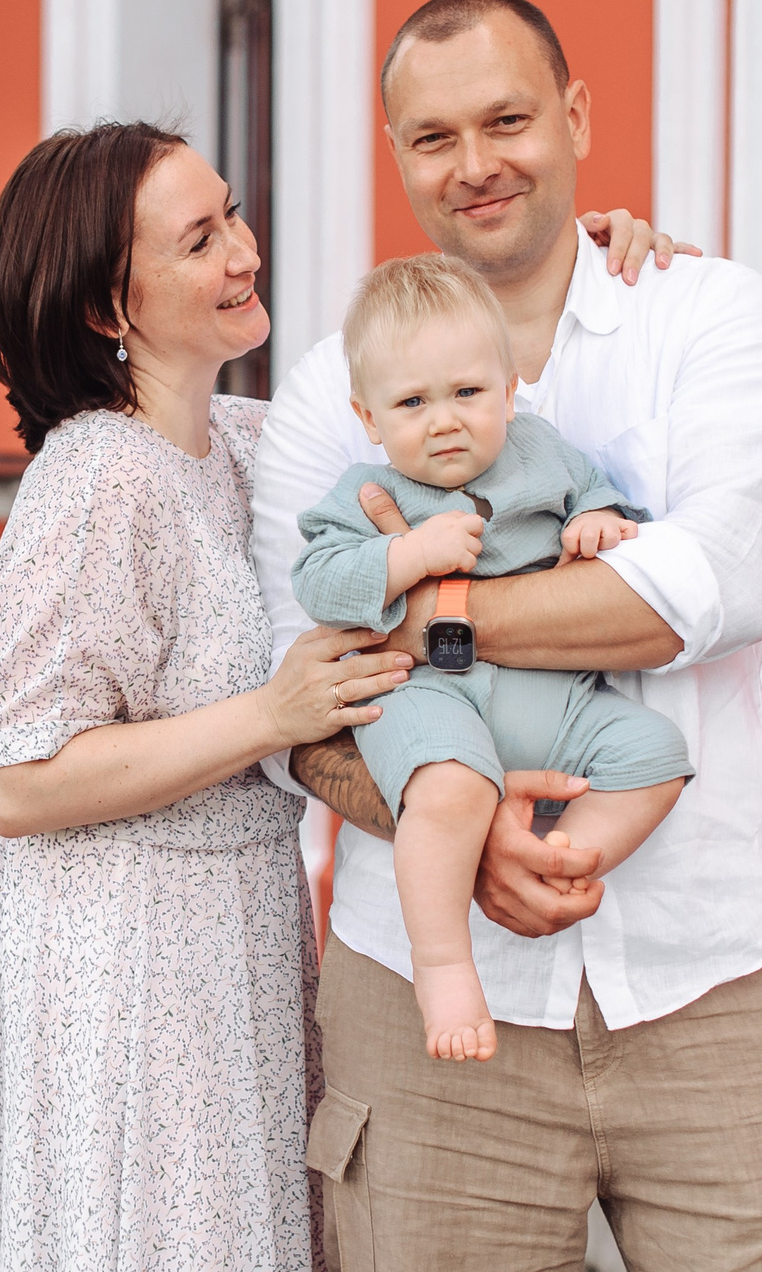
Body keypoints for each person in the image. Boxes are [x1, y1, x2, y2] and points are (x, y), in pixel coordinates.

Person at [250, 0, 762, 1272]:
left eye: (509, 119)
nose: (475, 164)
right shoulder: (328, 390)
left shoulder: (705, 316)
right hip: (423, 1013)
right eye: (434, 137)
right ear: (397, 156)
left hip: (713, 983)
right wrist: (459, 843)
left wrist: (434, 619)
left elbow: (702, 592)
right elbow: (297, 693)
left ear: (578, 118)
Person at [0, 121, 413, 1272]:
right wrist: (270, 715)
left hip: (237, 936)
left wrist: (585, 270)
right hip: (124, 965)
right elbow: (18, 782)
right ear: (110, 306)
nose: (244, 252)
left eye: (233, 215)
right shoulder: (97, 479)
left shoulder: (250, 443)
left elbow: (442, 405)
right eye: (199, 240)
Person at [290, 252, 690, 1063]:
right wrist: (407, 556)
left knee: (656, 754)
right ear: (370, 418)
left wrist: (598, 521)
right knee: (446, 791)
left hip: (559, 700)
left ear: (509, 392)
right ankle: (443, 964)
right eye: (413, 402)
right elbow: (317, 582)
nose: (444, 421)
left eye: (468, 393)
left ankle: (560, 860)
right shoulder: (367, 494)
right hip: (433, 701)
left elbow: (600, 496)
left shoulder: (543, 452)